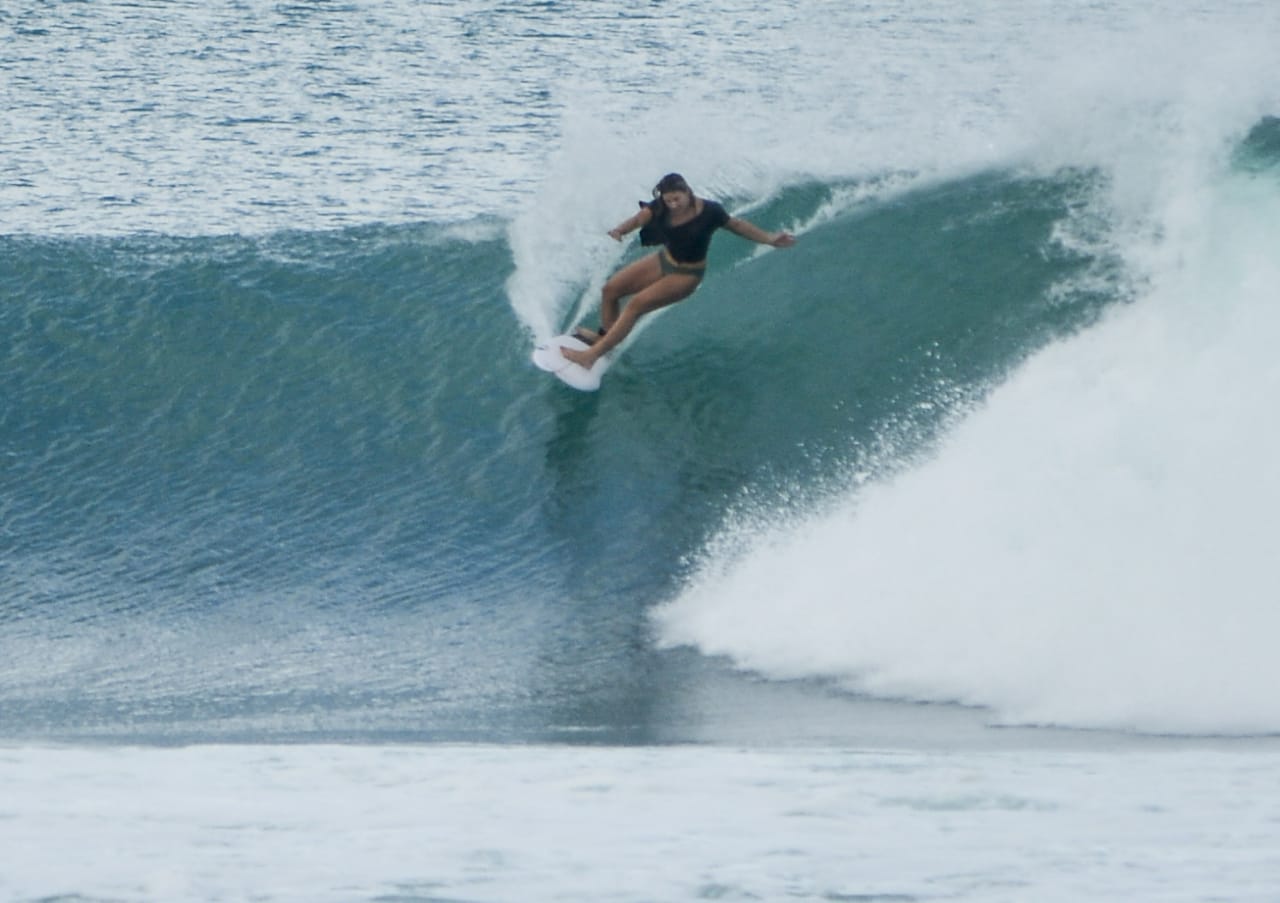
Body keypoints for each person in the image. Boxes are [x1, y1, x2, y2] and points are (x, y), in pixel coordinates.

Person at [560, 173, 796, 369]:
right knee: (610, 290)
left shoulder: (709, 212)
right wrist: (621, 230)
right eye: (668, 200)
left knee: (635, 305)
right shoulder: (660, 207)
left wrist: (770, 239)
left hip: (687, 275)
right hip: (664, 260)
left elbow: (737, 225)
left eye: (677, 199)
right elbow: (640, 218)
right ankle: (605, 341)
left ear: (688, 192)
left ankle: (591, 356)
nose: (673, 205)